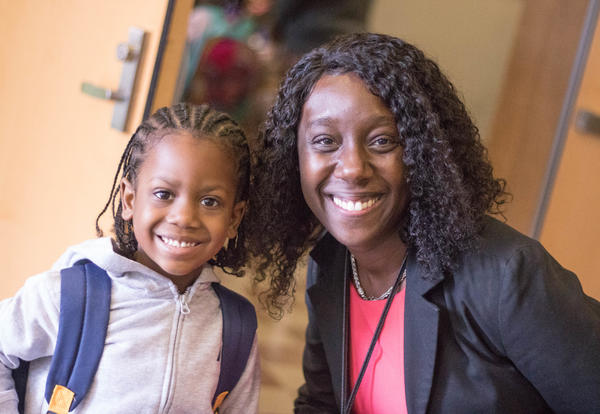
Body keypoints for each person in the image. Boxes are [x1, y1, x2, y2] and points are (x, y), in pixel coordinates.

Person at [247, 33, 600, 413]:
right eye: (324, 141)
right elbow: (322, 402)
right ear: (293, 158)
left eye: (382, 141)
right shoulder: (332, 264)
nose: (352, 168)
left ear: (423, 152)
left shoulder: (506, 276)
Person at [0, 103, 260, 413]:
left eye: (209, 201)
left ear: (235, 217)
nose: (184, 217)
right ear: (129, 199)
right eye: (164, 194)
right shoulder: (67, 295)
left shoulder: (236, 326)